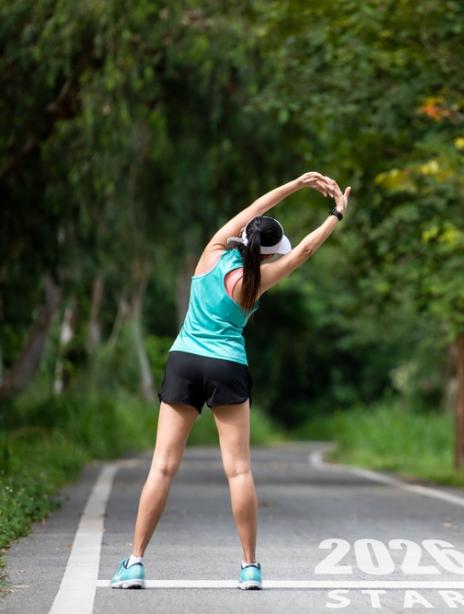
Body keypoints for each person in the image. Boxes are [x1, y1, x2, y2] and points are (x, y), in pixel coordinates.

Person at [110, 172, 351, 590]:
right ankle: (250, 567)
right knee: (239, 471)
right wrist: (336, 214)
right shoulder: (258, 280)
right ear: (270, 251)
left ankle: (134, 563)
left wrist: (296, 184)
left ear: (242, 236)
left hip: (184, 361)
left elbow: (255, 210)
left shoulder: (212, 252)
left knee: (163, 466)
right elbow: (307, 249)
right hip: (228, 367)